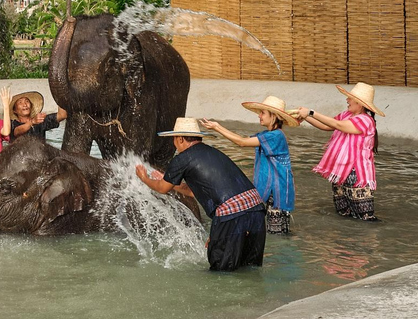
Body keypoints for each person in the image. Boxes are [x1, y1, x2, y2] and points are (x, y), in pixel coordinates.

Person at [135, 117, 266, 272]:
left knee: (222, 272)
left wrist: (144, 178)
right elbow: (198, 191)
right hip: (256, 209)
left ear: (180, 138)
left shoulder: (182, 159)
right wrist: (217, 231)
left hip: (231, 215)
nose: (174, 143)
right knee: (250, 268)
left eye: (174, 139)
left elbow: (162, 189)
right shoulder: (213, 152)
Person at [201, 96, 299, 234]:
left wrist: (217, 127)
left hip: (277, 192)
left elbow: (241, 142)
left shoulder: (275, 136)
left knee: (276, 233)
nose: (259, 116)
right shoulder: (268, 134)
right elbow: (244, 140)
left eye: (263, 113)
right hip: (274, 190)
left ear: (274, 116)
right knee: (273, 232)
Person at [296, 82, 384, 221]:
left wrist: (311, 112)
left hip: (357, 176)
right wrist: (305, 117)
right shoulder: (346, 115)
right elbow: (327, 125)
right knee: (344, 214)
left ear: (360, 103)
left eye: (350, 98)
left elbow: (338, 125)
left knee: (365, 218)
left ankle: (367, 242)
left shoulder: (366, 120)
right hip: (341, 173)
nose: (347, 100)